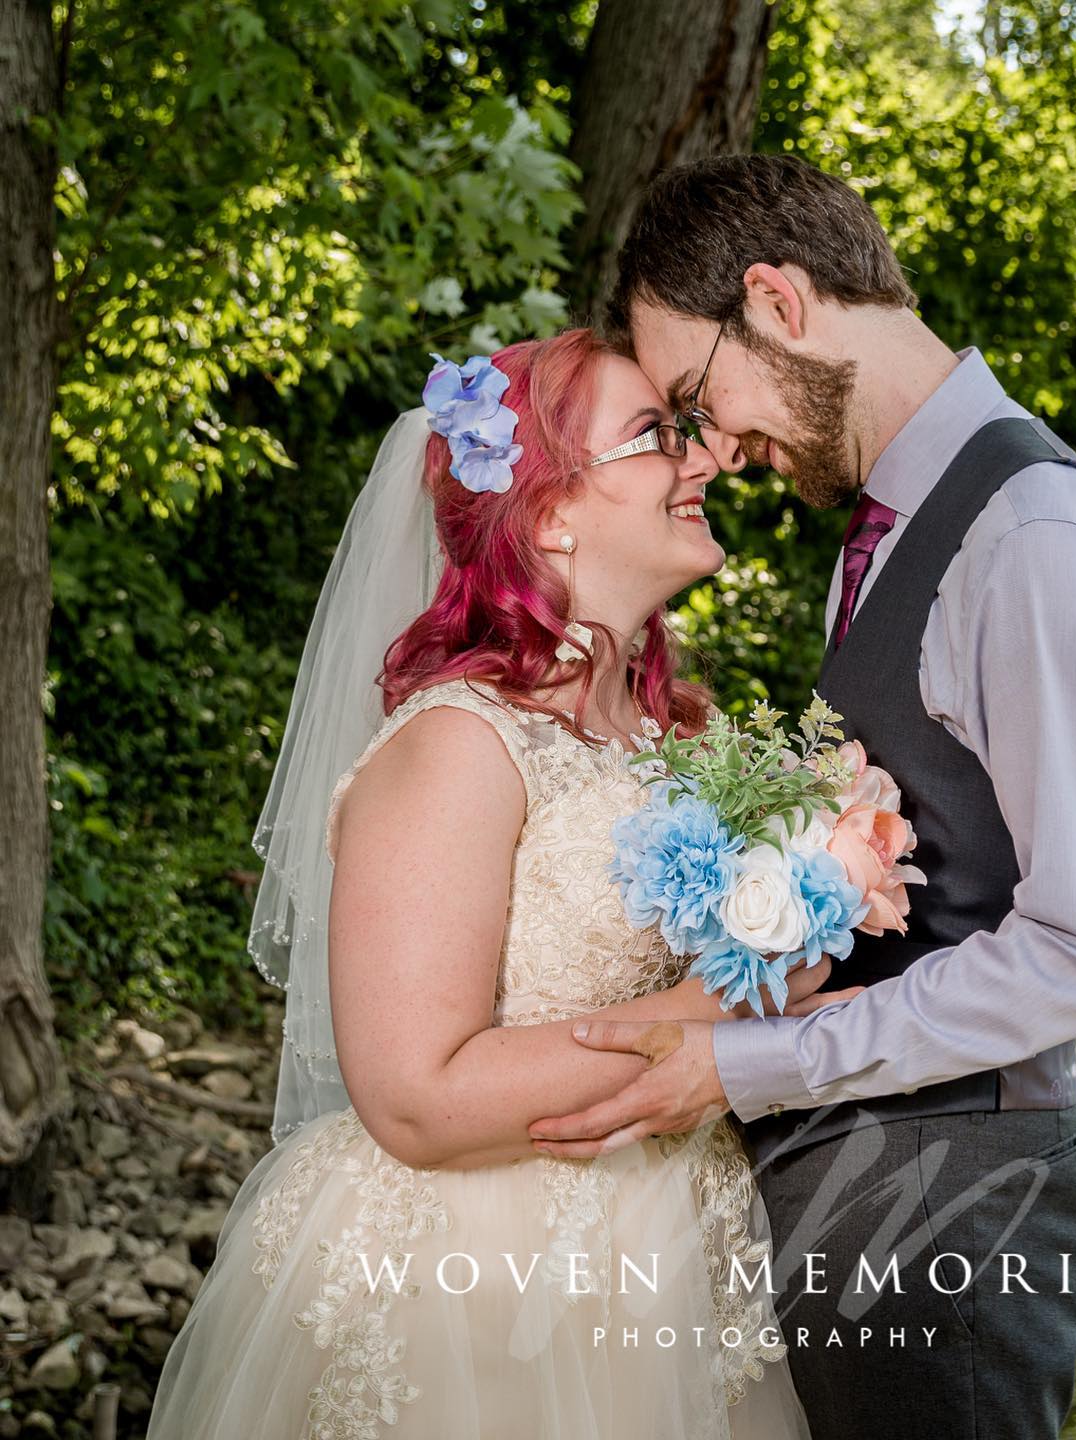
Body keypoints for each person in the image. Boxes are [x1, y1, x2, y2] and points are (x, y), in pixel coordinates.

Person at [525, 155, 1076, 1440]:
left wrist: (753, 1063)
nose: (712, 451)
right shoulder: (891, 527)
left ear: (776, 301)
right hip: (864, 1181)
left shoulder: (1035, 543)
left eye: (695, 400)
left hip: (955, 1201)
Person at [144, 328, 832, 1439]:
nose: (703, 461)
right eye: (656, 437)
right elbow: (417, 1095)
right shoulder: (460, 744)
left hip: (678, 1251)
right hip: (482, 1284)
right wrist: (725, 1007)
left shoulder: (673, 738)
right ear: (552, 513)